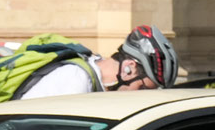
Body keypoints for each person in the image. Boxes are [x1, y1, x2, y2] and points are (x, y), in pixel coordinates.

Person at [19, 24, 178, 98]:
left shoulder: (96, 85)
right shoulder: (76, 82)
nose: (141, 97)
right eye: (142, 88)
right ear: (129, 68)